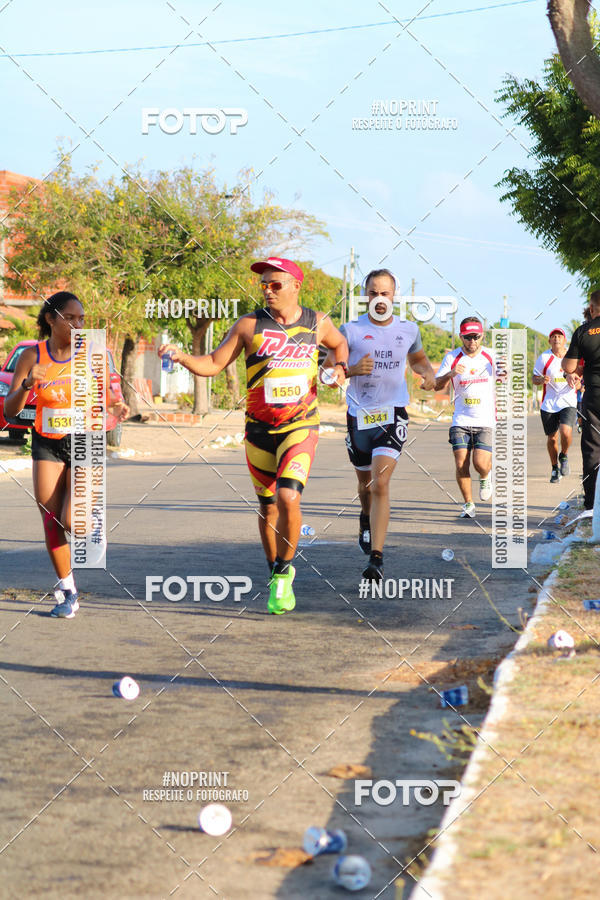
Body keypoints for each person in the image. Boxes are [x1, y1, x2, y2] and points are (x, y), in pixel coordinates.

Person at [159, 257, 348, 614]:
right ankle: (274, 570)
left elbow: (339, 345)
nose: (268, 290)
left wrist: (337, 366)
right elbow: (214, 364)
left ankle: (284, 571)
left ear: (296, 286)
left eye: (276, 284)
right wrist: (183, 357)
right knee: (268, 505)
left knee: (288, 496)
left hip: (300, 425)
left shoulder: (318, 322)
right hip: (259, 429)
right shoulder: (249, 325)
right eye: (264, 284)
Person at [4, 291, 129, 618]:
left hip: (85, 439)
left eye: (81, 319)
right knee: (50, 518)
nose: (78, 324)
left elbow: (111, 395)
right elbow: (10, 409)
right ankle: (68, 590)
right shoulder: (33, 356)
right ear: (51, 318)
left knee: (75, 522)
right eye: (70, 318)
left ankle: (91, 518)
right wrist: (28, 385)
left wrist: (117, 404)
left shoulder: (94, 353)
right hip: (47, 440)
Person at [336, 269, 435, 582]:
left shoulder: (408, 330)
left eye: (386, 293)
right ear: (366, 295)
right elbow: (328, 374)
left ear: (395, 296)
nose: (380, 299)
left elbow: (418, 360)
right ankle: (365, 516)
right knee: (365, 487)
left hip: (393, 414)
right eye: (373, 292)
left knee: (380, 483)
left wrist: (427, 374)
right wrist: (350, 370)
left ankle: (376, 558)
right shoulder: (349, 331)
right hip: (358, 417)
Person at [435, 317, 496, 518]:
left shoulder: (491, 356)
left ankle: (486, 476)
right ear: (461, 336)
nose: (472, 341)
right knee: (461, 462)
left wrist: (506, 373)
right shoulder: (452, 357)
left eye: (476, 337)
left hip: (485, 420)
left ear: (482, 335)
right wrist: (450, 374)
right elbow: (437, 385)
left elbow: (508, 375)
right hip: (461, 419)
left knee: (480, 463)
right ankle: (468, 504)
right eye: (468, 337)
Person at [563, 291, 600, 510]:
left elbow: (568, 367)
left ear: (592, 308)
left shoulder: (583, 331)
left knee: (592, 448)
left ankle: (592, 505)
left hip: (594, 394)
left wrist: (573, 370)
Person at [532, 328, 578, 482]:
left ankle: (563, 456)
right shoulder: (544, 357)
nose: (557, 339)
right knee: (552, 438)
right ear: (549, 341)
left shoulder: (572, 356)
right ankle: (554, 468)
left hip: (568, 401)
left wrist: (577, 384)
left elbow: (580, 380)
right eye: (553, 337)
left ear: (565, 340)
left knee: (566, 432)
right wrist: (541, 380)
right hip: (549, 404)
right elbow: (534, 379)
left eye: (560, 336)